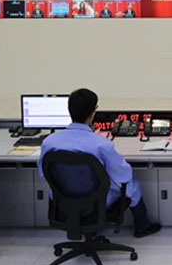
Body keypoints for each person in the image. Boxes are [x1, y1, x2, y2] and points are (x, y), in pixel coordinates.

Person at [39, 88, 161, 238]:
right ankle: (142, 227)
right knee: (132, 184)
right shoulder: (102, 144)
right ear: (92, 114)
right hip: (96, 202)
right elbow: (123, 176)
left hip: (63, 201)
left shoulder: (49, 142)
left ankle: (89, 228)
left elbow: (43, 174)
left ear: (69, 110)